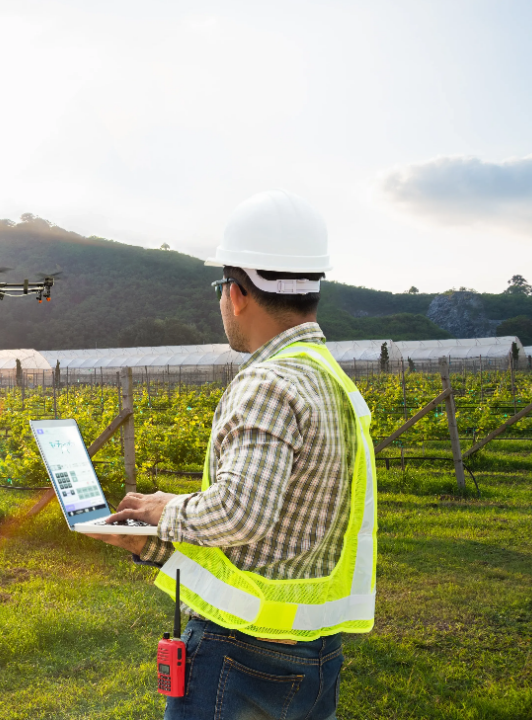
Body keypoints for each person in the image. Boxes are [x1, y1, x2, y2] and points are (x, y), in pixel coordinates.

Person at [98, 190, 377, 720]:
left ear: (238, 293)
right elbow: (275, 544)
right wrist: (149, 544)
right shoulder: (330, 381)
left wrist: (164, 509)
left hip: (242, 660)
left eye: (222, 290)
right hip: (316, 657)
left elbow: (241, 513)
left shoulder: (268, 382)